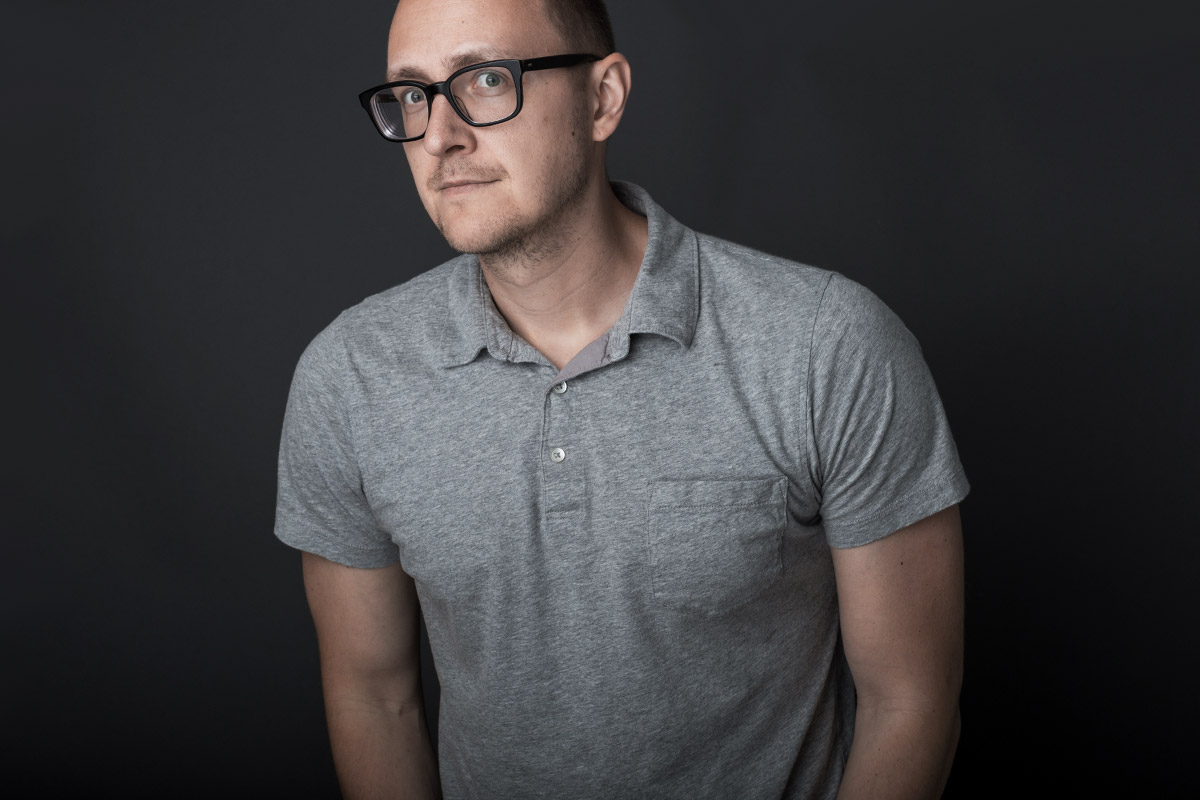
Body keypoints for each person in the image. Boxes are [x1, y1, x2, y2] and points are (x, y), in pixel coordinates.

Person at [274, 0, 969, 797]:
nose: (439, 136)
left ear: (602, 98)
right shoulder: (350, 377)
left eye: (487, 80)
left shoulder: (826, 345)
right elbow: (375, 700)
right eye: (412, 94)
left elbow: (910, 702)